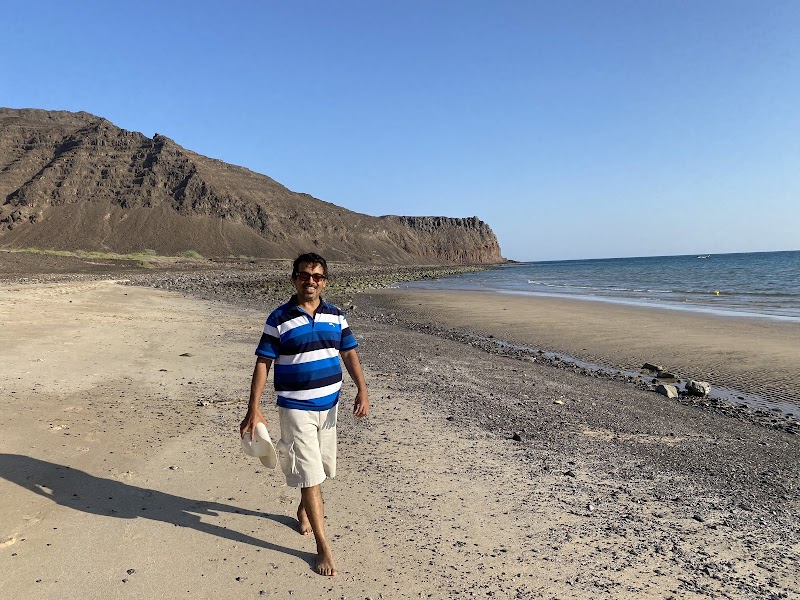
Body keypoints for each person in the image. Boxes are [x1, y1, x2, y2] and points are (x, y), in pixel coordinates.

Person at [240, 252, 369, 577]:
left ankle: (304, 508)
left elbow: (349, 353)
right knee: (311, 475)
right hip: (295, 408)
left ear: (324, 282)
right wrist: (253, 408)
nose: (310, 281)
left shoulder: (336, 315)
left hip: (330, 407)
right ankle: (323, 547)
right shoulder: (279, 318)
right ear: (294, 279)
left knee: (321, 469)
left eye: (317, 276)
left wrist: (362, 389)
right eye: (304, 275)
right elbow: (263, 363)